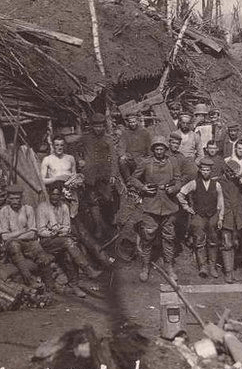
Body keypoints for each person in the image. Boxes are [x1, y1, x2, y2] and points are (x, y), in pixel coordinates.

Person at [128, 136, 181, 283]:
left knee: (169, 238)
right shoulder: (146, 163)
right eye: (156, 149)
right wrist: (142, 187)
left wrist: (175, 188)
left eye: (162, 149)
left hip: (169, 205)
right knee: (147, 237)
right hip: (151, 205)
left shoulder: (173, 162)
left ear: (165, 149)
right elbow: (133, 179)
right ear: (153, 150)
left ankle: (169, 266)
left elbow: (178, 179)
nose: (159, 151)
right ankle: (145, 266)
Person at [36, 186, 102, 295]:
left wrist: (60, 231)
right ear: (48, 194)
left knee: (68, 253)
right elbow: (41, 230)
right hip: (47, 242)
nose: (55, 197)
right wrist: (53, 232)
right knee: (68, 242)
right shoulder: (42, 208)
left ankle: (74, 286)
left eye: (57, 195)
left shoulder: (64, 207)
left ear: (60, 195)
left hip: (62, 239)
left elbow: (67, 227)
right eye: (53, 194)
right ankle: (87, 269)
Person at [76, 113, 122, 241]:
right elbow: (74, 149)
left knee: (107, 198)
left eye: (101, 126)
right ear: (92, 126)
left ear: (104, 126)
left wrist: (113, 174)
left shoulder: (108, 139)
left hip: (104, 174)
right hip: (90, 175)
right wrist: (79, 160)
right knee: (92, 201)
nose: (98, 129)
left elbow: (113, 157)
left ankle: (110, 219)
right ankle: (98, 227)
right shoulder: (85, 138)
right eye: (96, 126)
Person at [0, 186, 55, 289]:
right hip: (11, 244)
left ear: (21, 198)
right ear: (8, 199)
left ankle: (51, 285)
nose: (15, 201)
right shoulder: (4, 211)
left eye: (17, 198)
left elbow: (32, 233)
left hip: (27, 242)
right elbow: (5, 237)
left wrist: (15, 235)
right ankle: (29, 280)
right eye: (12, 198)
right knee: (14, 245)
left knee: (38, 249)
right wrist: (22, 231)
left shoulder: (28, 209)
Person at [177, 158, 225, 278]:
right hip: (198, 216)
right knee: (199, 241)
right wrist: (186, 207)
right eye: (203, 170)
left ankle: (212, 266)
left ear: (211, 171)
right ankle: (202, 266)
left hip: (213, 215)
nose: (205, 172)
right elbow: (180, 194)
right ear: (200, 170)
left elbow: (221, 202)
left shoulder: (217, 185)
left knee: (213, 241)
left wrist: (220, 218)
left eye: (207, 170)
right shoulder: (194, 183)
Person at [217, 160, 242, 282]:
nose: (232, 174)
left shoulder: (238, 181)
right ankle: (228, 272)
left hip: (237, 217)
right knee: (226, 244)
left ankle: (233, 270)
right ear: (226, 170)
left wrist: (241, 179)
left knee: (235, 244)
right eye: (230, 171)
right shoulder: (219, 182)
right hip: (225, 216)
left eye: (234, 172)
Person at [118, 112, 152, 178]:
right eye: (130, 122)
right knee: (122, 161)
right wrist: (122, 155)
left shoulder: (144, 132)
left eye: (134, 122)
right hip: (130, 157)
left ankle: (135, 180)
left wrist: (149, 156)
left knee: (145, 164)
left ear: (137, 121)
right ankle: (128, 179)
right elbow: (121, 145)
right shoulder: (125, 133)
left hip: (141, 157)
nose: (132, 124)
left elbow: (149, 147)